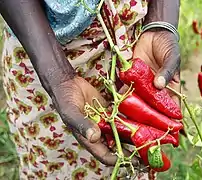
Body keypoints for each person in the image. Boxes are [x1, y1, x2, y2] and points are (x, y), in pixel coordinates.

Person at [0, 0, 181, 179]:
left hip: (136, 38)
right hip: (45, 52)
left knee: (136, 158)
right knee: (58, 162)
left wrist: (160, 21)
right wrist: (58, 76)